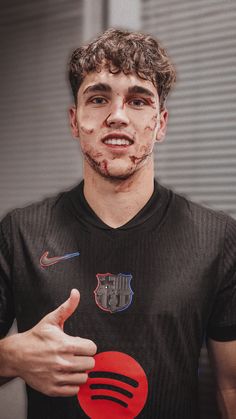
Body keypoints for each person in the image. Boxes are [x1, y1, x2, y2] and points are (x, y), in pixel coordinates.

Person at [0, 28, 236, 419]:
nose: (118, 115)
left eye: (138, 100)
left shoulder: (217, 238)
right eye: (98, 98)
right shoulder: (19, 233)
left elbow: (231, 385)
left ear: (160, 124)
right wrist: (9, 357)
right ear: (75, 121)